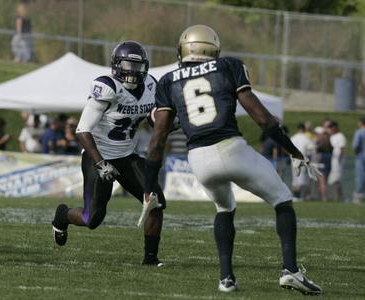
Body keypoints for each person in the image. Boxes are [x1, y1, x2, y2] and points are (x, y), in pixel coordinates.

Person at [142, 25, 322, 294]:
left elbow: (158, 138)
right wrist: (293, 151)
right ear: (213, 48)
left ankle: (226, 279)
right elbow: (263, 119)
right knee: (283, 199)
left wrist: (148, 186)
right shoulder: (228, 66)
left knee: (224, 208)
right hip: (231, 148)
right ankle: (291, 271)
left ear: (182, 50)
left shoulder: (168, 80)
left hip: (199, 159)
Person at [51, 41, 166, 266]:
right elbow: (82, 131)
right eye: (127, 65)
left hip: (127, 155)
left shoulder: (151, 85)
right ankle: (62, 215)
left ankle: (150, 259)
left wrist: (167, 123)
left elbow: (153, 119)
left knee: (156, 202)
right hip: (99, 155)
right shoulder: (108, 87)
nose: (133, 72)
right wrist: (101, 163)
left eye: (137, 66)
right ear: (116, 65)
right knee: (92, 218)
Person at [290, 123, 316, 200]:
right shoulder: (306, 138)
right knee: (301, 179)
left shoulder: (292, 138)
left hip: (293, 160)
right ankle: (299, 196)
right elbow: (312, 149)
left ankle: (296, 196)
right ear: (304, 129)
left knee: (295, 178)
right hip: (302, 160)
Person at [326, 121, 346, 201]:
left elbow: (342, 149)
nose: (330, 129)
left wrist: (339, 160)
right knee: (334, 179)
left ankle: (337, 197)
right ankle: (339, 197)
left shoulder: (340, 136)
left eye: (331, 127)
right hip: (332, 160)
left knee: (336, 179)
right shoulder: (332, 136)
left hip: (338, 161)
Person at [314, 125, 332, 201]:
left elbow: (315, 147)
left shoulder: (320, 139)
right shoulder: (328, 140)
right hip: (328, 158)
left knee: (322, 180)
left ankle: (324, 197)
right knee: (325, 180)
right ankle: (323, 196)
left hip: (321, 158)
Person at [352, 117, 365, 203]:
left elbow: (355, 145)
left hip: (361, 156)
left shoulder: (359, 132)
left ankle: (358, 194)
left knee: (360, 176)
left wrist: (356, 152)